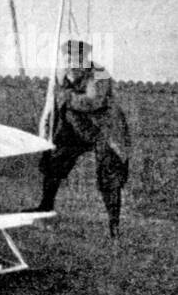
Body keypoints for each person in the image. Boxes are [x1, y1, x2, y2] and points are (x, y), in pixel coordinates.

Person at [33, 40, 130, 237]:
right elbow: (52, 104)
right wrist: (46, 127)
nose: (71, 62)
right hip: (74, 127)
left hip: (104, 128)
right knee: (54, 159)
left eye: (76, 58)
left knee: (109, 171)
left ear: (84, 58)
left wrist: (67, 96)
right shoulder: (60, 75)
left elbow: (93, 101)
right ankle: (45, 207)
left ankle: (114, 225)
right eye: (67, 58)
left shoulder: (100, 72)